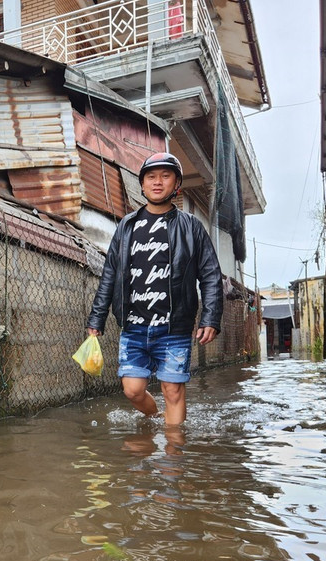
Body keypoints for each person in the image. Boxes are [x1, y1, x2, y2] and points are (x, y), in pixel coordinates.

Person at [86, 151, 223, 426]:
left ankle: (173, 459)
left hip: (174, 328)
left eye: (165, 176)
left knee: (172, 390)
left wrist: (211, 317)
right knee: (132, 390)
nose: (157, 182)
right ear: (143, 184)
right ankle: (155, 418)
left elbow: (210, 274)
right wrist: (96, 318)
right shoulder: (127, 226)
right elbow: (110, 273)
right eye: (151, 177)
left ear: (177, 185)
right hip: (134, 327)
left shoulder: (191, 227)